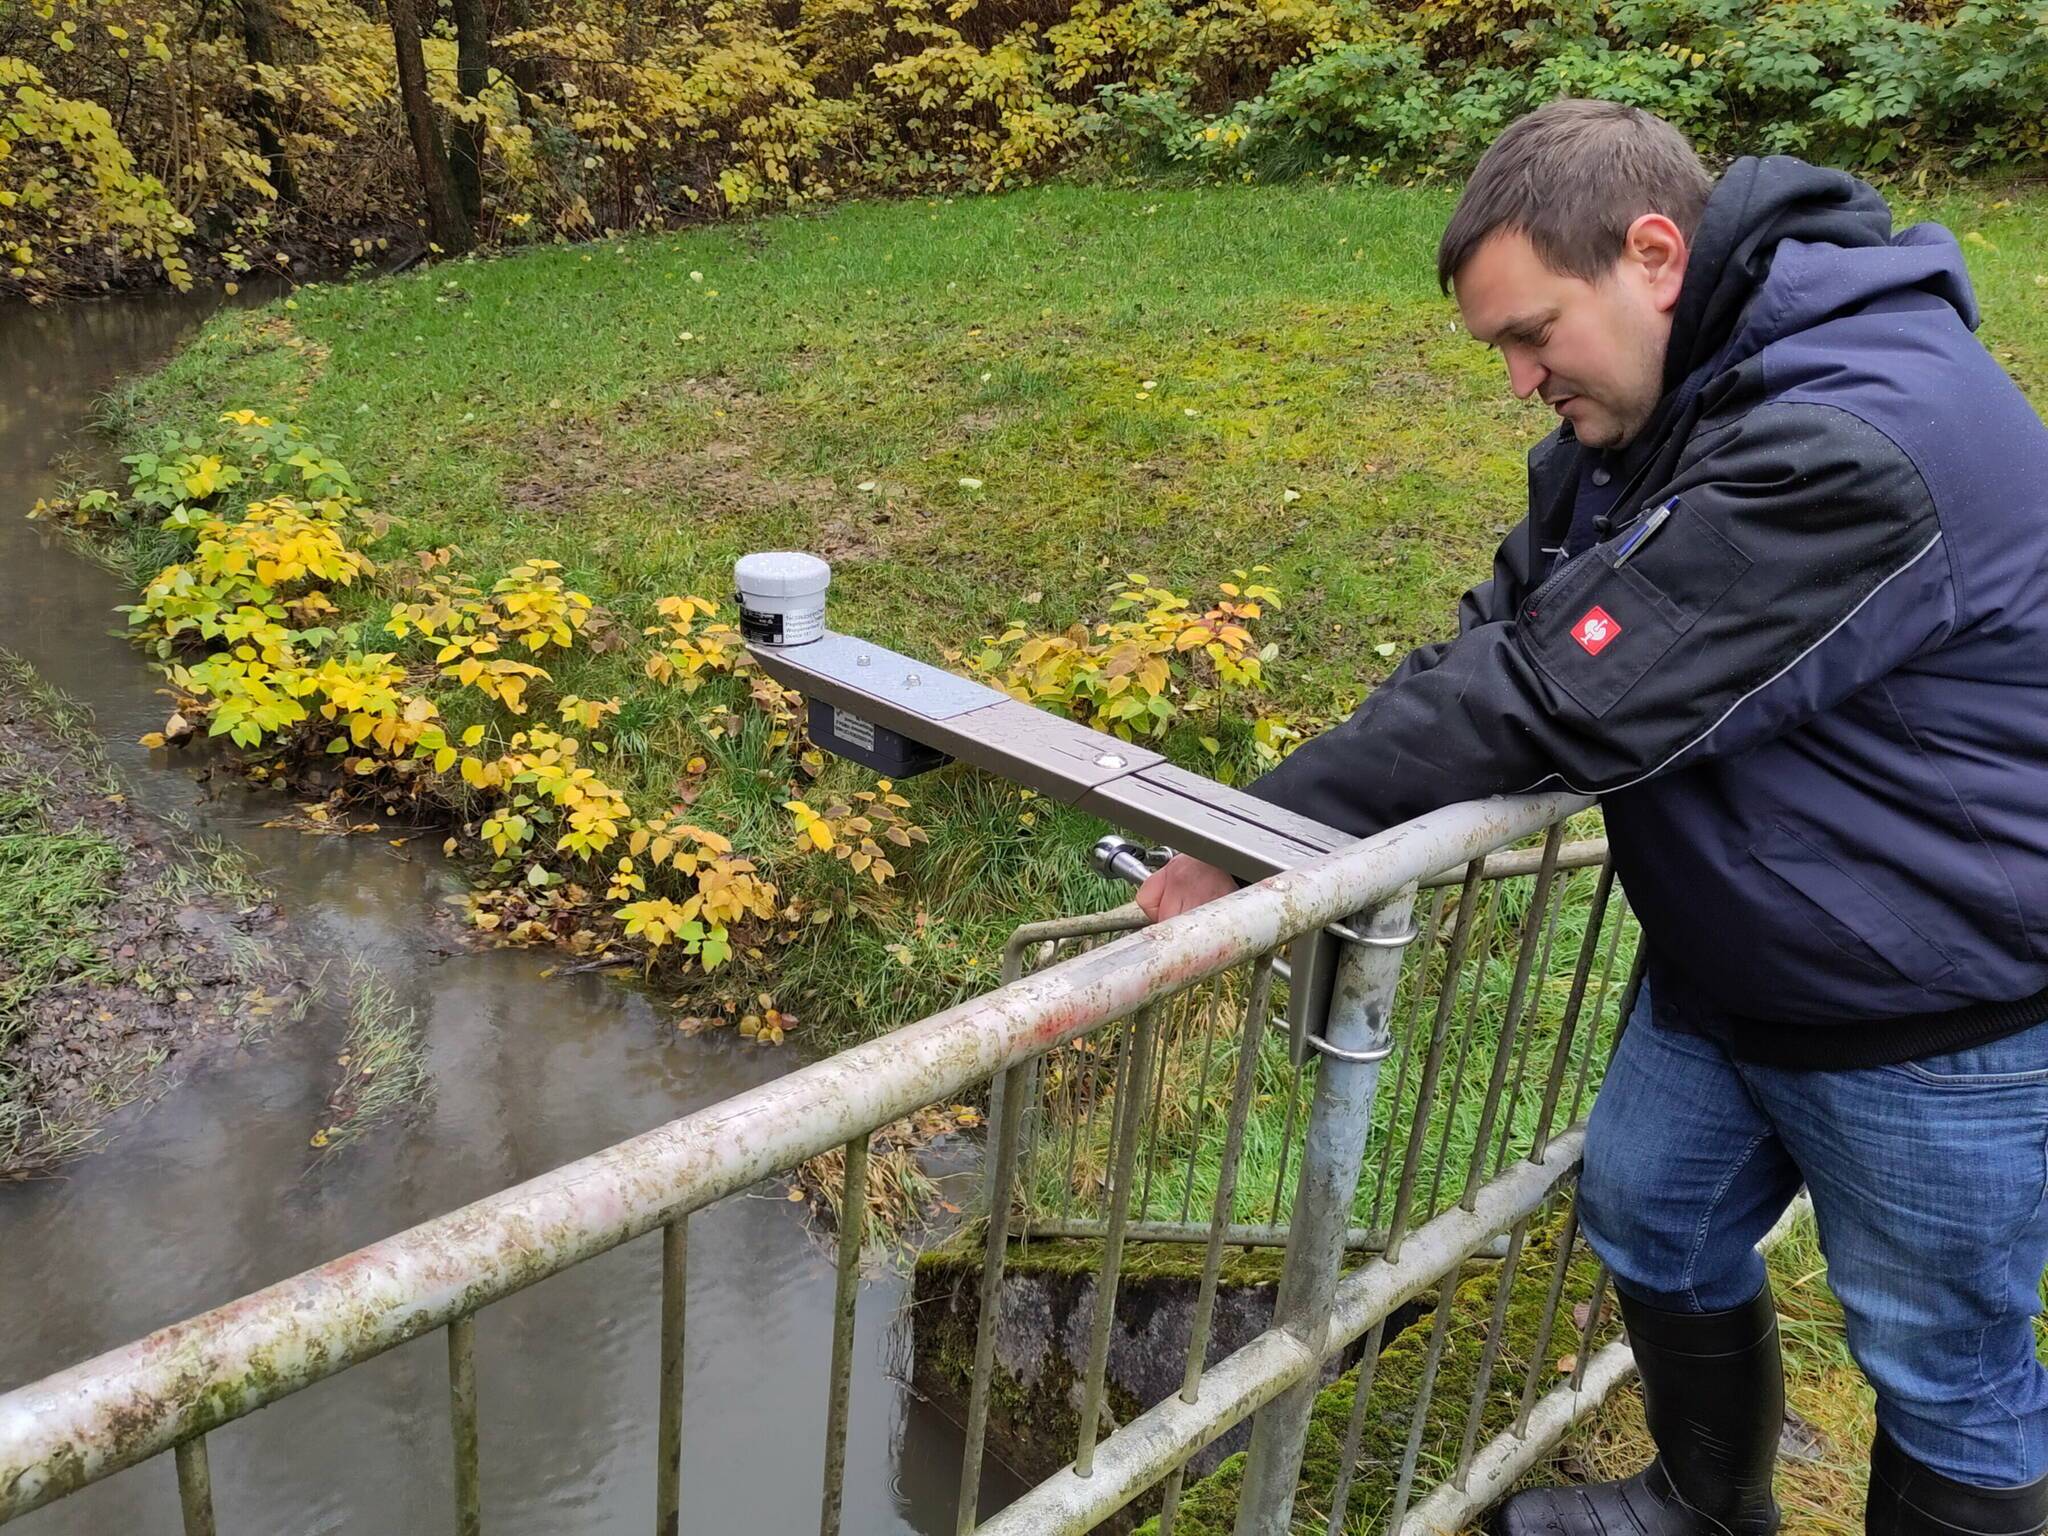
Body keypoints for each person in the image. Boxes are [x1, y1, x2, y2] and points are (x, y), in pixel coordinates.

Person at [1136, 99, 2048, 1535]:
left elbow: (1559, 693)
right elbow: (1502, 631)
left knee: (1944, 1372)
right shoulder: (1643, 415)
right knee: (1651, 1216)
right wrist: (1296, 813)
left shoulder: (1862, 435)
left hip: (1928, 996)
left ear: (1656, 253)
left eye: (1531, 331)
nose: (1517, 378)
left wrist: (1249, 835)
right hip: (1735, 952)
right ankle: (1706, 1502)